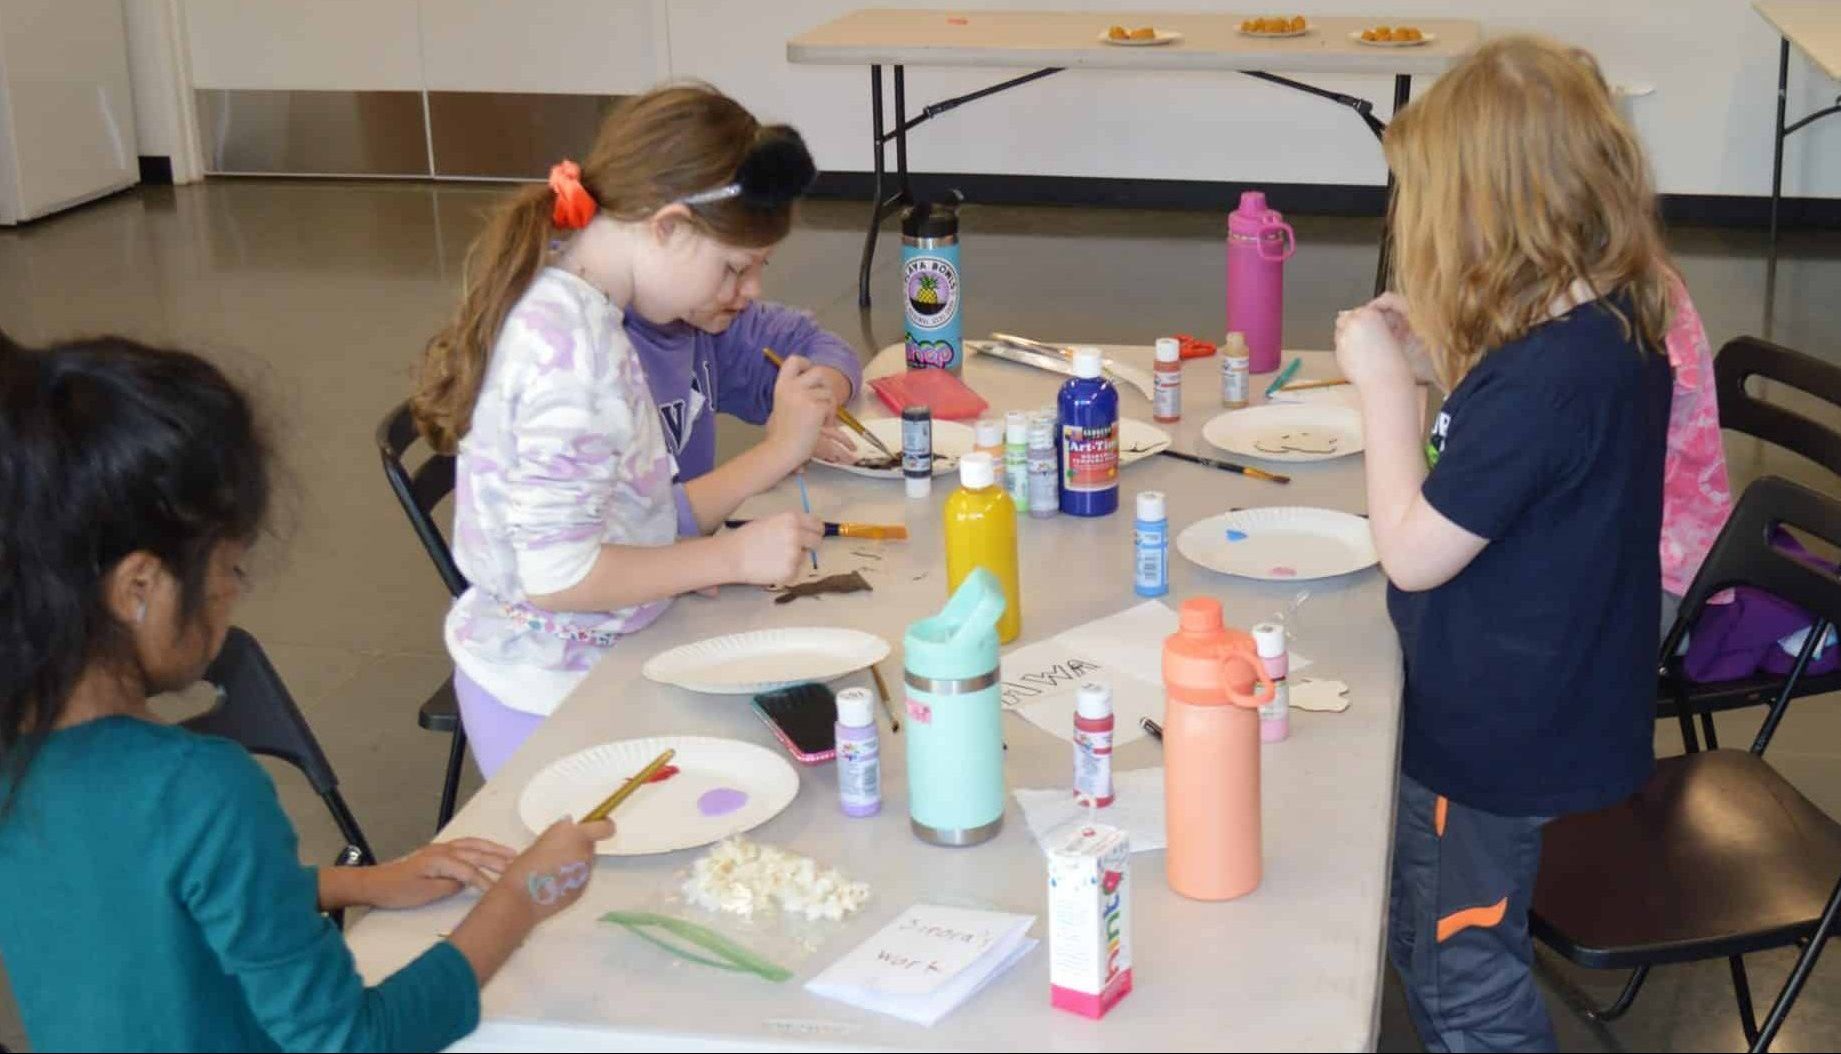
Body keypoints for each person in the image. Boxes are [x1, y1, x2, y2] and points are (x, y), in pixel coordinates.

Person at [0, 335, 611, 1052]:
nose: (231, 595)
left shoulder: (25, 754)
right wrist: (523, 896)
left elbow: (143, 895)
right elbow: (351, 1040)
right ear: (140, 587)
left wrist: (361, 885)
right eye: (229, 569)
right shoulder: (199, 788)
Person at [1334, 37, 1676, 1051]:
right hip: (1544, 704)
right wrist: (1443, 358)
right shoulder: (1604, 323)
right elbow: (1521, 480)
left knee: (1461, 986)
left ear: (1487, 211)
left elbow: (1409, 551)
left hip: (1492, 744)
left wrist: (1385, 391)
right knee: (1427, 937)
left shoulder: (1544, 383)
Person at [411, 85, 832, 776]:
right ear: (665, 226)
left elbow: (610, 519)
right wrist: (727, 560)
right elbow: (558, 573)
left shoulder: (578, 307)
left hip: (587, 663)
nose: (751, 289)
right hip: (549, 699)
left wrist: (679, 560)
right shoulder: (573, 357)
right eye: (734, 267)